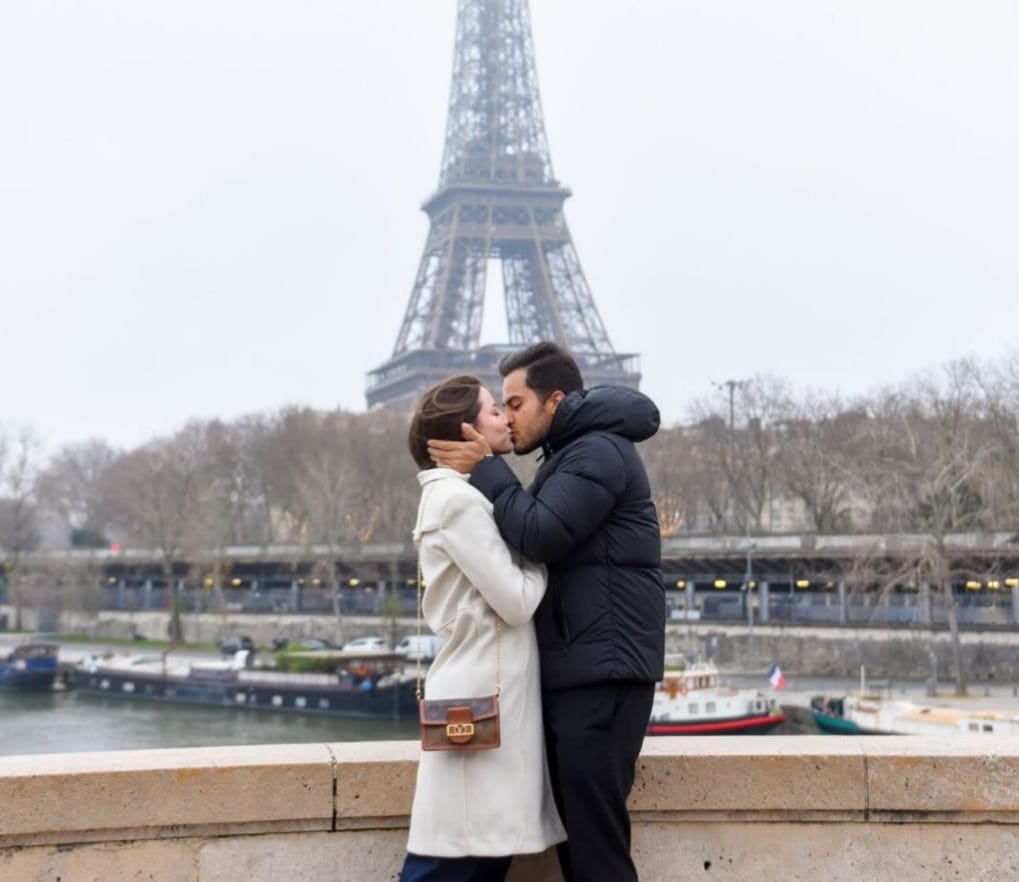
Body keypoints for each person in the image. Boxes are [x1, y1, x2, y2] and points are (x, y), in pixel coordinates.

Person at [427, 342, 666, 882]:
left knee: (595, 848)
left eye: (514, 404)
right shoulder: (572, 455)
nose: (507, 417)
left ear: (553, 400)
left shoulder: (598, 452)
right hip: (587, 668)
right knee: (583, 846)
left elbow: (538, 533)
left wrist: (487, 470)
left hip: (601, 675)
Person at [400, 374, 566, 882]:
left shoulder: (451, 497)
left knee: (473, 851)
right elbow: (515, 602)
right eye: (495, 410)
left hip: (479, 688)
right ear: (467, 431)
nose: (506, 418)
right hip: (484, 698)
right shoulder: (459, 501)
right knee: (459, 853)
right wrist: (540, 556)